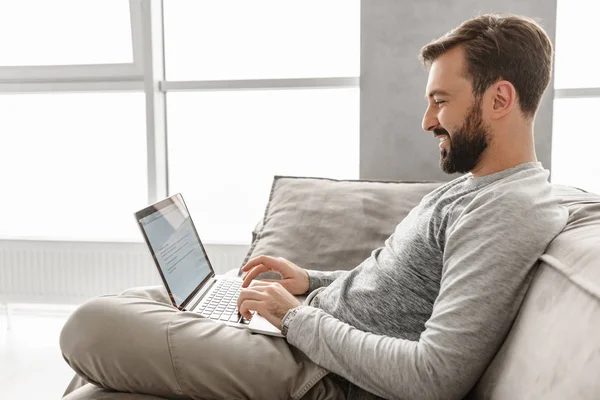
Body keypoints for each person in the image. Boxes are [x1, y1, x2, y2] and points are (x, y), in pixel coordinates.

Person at [60, 13, 568, 400]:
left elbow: (434, 376)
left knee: (88, 325)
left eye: (441, 100)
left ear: (500, 99)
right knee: (150, 303)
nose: (427, 120)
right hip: (309, 336)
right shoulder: (475, 188)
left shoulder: (510, 209)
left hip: (319, 371)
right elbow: (401, 292)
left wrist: (293, 318)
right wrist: (310, 281)